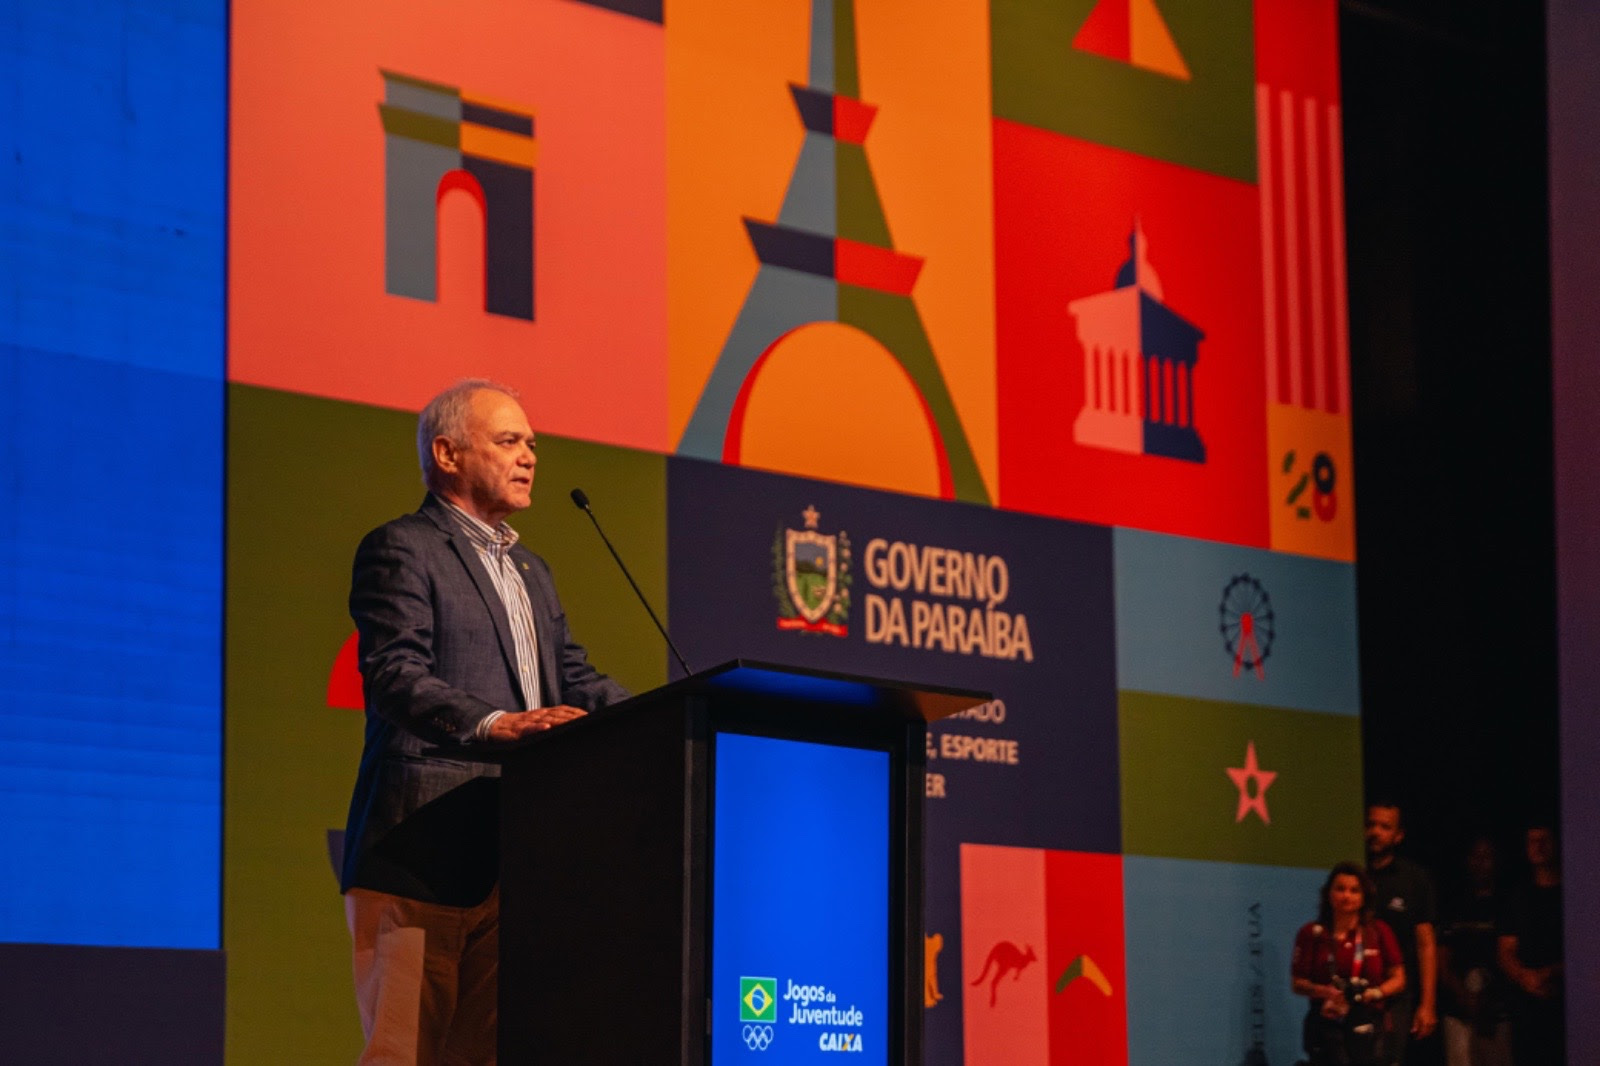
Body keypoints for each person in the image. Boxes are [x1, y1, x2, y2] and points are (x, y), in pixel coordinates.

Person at [338, 379, 629, 1065]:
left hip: (515, 856)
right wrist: (498, 723)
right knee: (404, 1056)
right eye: (508, 441)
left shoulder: (532, 570)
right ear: (447, 454)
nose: (529, 456)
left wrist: (670, 715)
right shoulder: (403, 548)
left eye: (532, 444)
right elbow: (395, 675)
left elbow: (575, 678)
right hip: (420, 855)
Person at [1292, 862, 1406, 1066]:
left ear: (1364, 897)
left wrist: (1375, 993)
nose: (1346, 896)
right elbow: (1297, 983)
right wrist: (1325, 992)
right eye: (1340, 889)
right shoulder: (1312, 933)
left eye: (1354, 891)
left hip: (1369, 1021)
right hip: (1326, 1023)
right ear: (1329, 893)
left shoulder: (1378, 931)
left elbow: (1398, 978)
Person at [1365, 802, 1438, 1064]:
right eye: (1371, 825)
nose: (1376, 832)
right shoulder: (1354, 874)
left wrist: (1427, 1004)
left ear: (1398, 836)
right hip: (1356, 988)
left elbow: (1425, 943)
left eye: (1385, 827)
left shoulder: (1414, 879)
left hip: (1397, 993)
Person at [1437, 836, 1510, 1066]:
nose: (1480, 863)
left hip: (1498, 1014)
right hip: (1458, 1011)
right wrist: (1463, 995)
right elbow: (1441, 957)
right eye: (1475, 857)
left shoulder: (1507, 903)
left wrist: (1487, 1000)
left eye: (1486, 857)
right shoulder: (1453, 903)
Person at [1497, 823, 1565, 1065]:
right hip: (1526, 1006)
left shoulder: (1574, 893)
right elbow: (1505, 950)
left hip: (1567, 1002)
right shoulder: (1518, 896)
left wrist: (1552, 972)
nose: (1539, 847)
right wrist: (1524, 977)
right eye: (1532, 841)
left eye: (1544, 840)